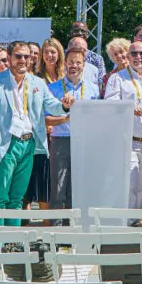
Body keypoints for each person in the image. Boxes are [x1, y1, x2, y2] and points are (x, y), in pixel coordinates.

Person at [0, 41, 74, 225]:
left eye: (26, 56)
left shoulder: (37, 82)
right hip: (5, 143)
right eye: (18, 56)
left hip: (29, 144)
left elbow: (52, 105)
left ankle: (12, 238)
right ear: (9, 57)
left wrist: (64, 105)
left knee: (18, 197)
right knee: (0, 195)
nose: (23, 60)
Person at [104, 41, 142, 210]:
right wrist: (128, 107)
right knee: (130, 181)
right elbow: (110, 104)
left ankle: (135, 216)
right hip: (128, 141)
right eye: (134, 54)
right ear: (128, 57)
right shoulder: (117, 78)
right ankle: (128, 219)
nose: (138, 57)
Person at [47, 45, 101, 210]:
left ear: (84, 65)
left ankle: (74, 222)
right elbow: (46, 119)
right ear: (65, 64)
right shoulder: (53, 88)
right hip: (61, 140)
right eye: (70, 62)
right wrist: (66, 118)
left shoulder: (93, 89)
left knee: (78, 186)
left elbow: (97, 118)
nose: (74, 66)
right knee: (58, 185)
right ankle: (56, 223)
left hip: (84, 141)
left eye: (78, 63)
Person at [27, 39, 66, 211]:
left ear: (59, 54)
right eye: (46, 52)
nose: (50, 55)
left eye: (53, 52)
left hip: (63, 134)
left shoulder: (66, 77)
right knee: (38, 180)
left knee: (57, 179)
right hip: (42, 135)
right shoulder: (37, 78)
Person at [68, 22, 105, 87]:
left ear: (87, 34)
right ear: (70, 33)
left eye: (83, 31)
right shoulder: (61, 56)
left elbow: (101, 83)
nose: (80, 33)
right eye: (76, 31)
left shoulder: (97, 59)